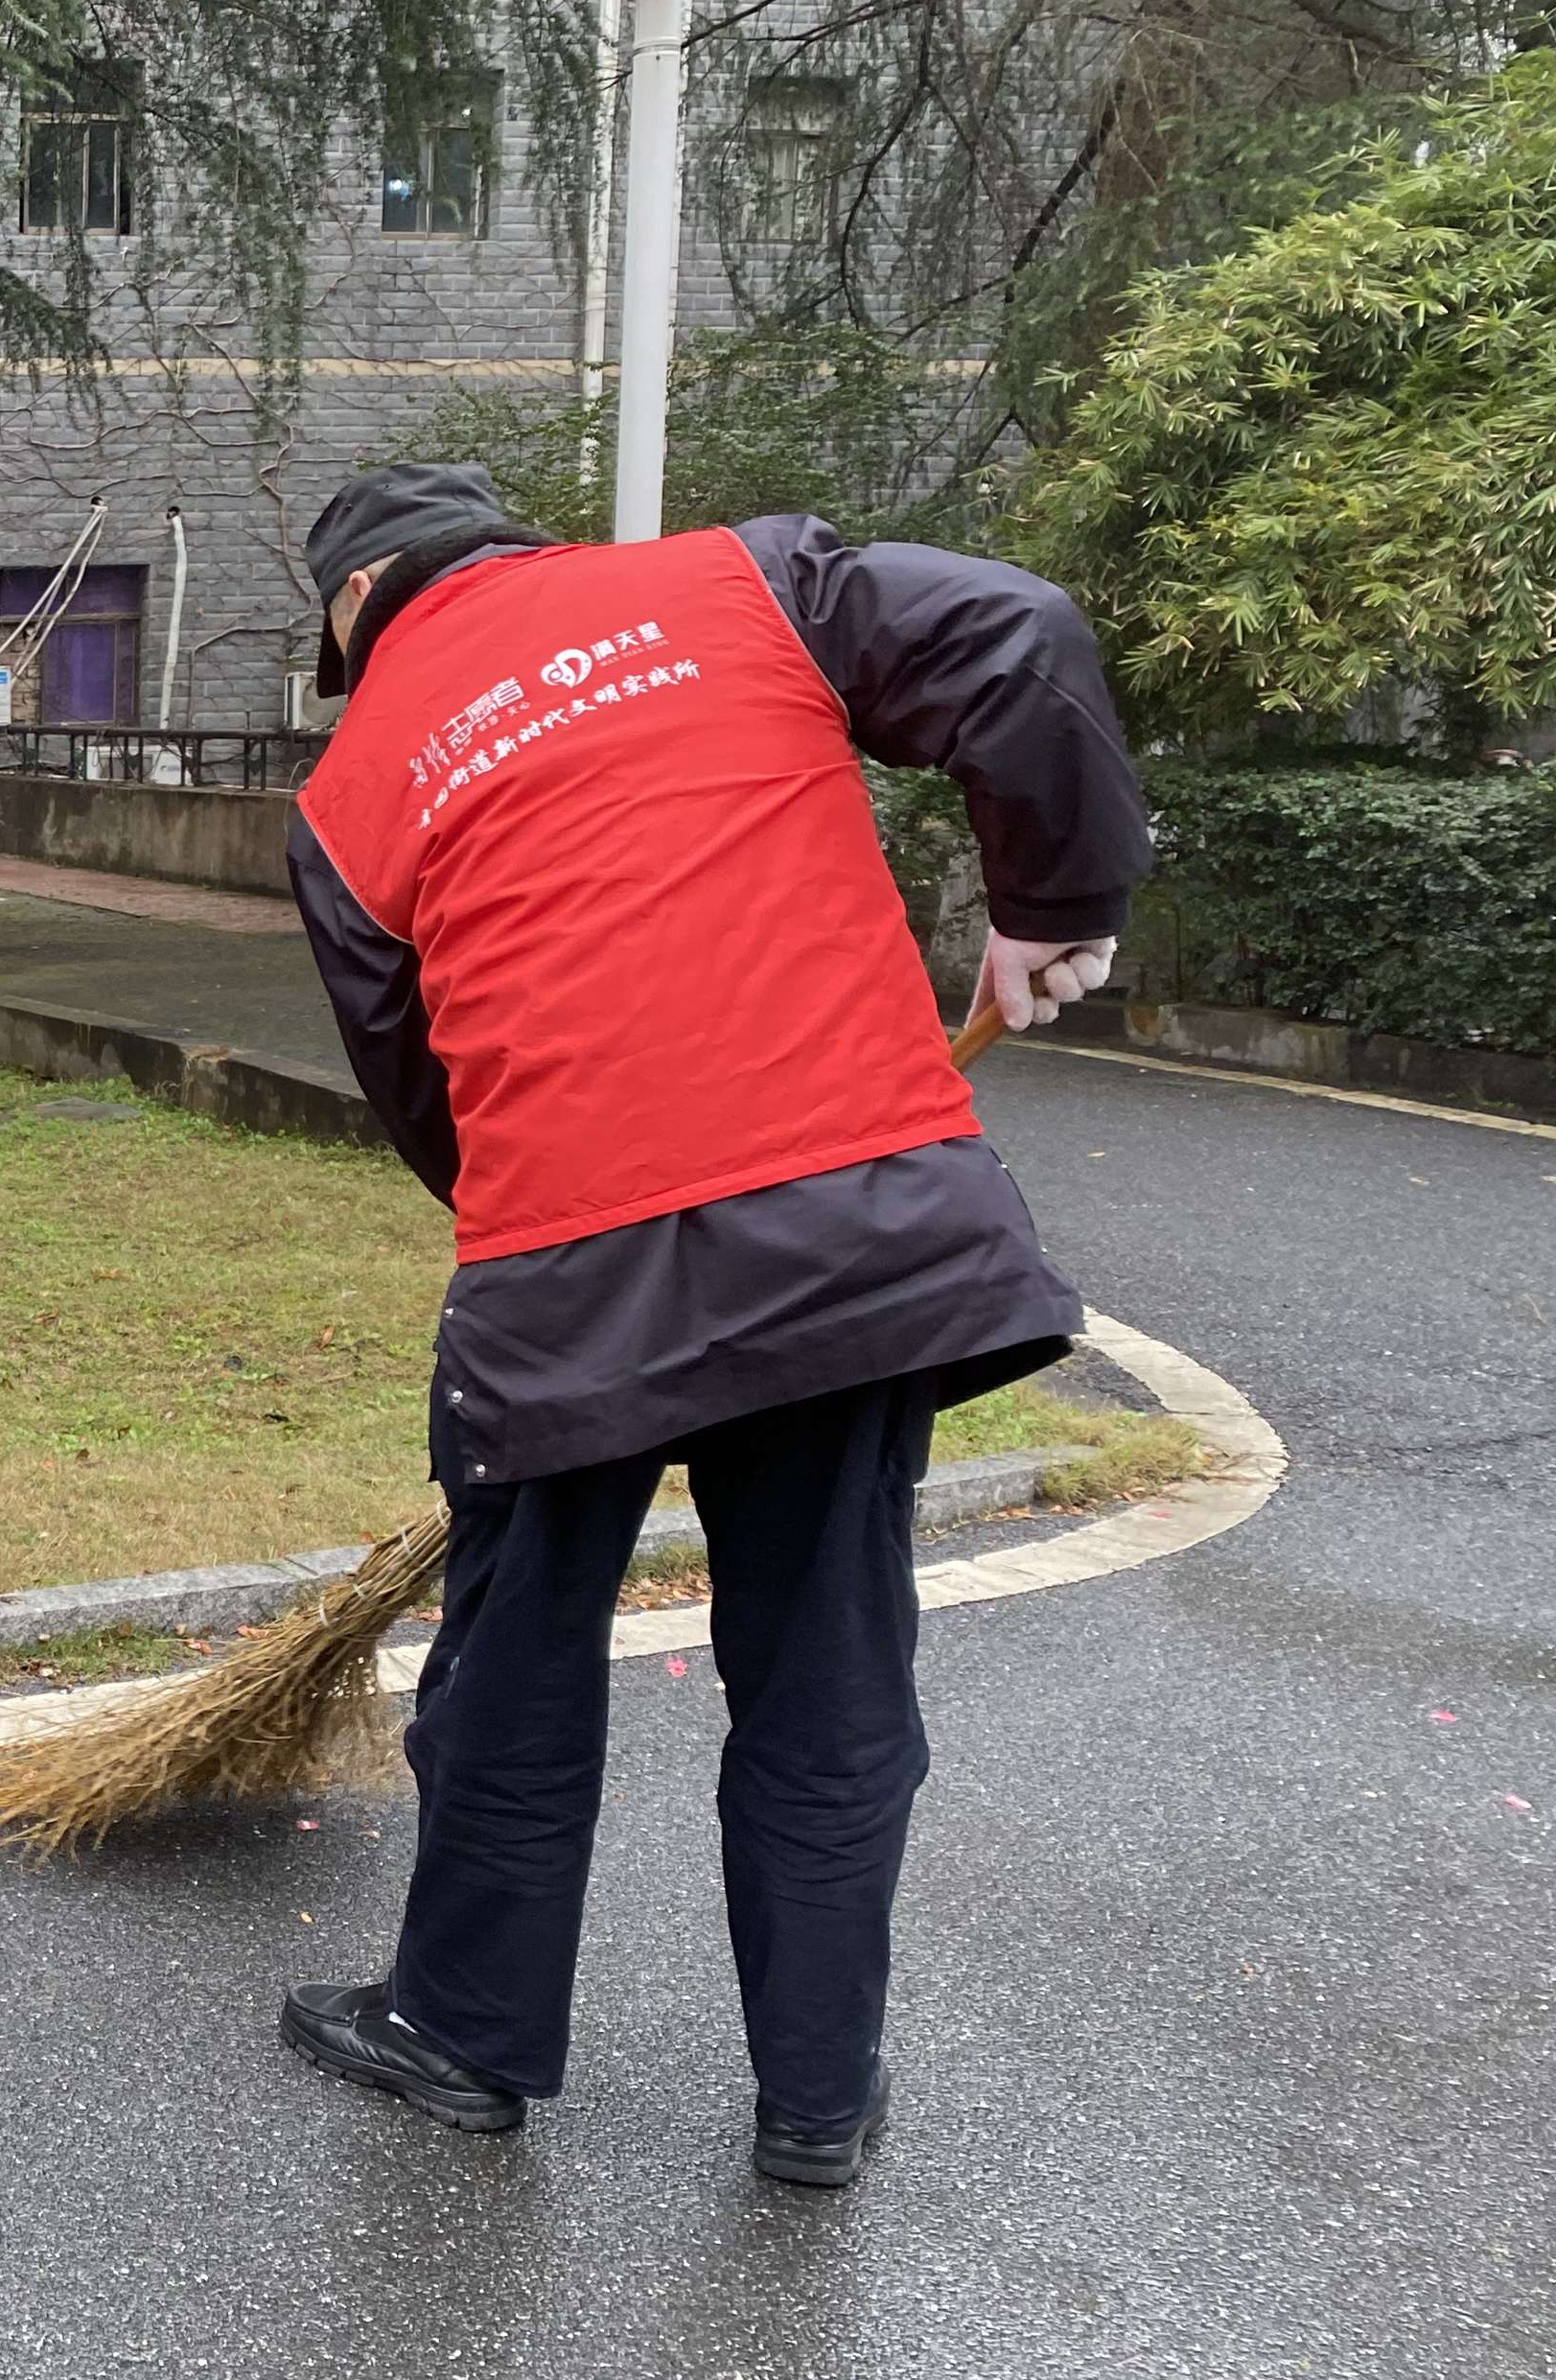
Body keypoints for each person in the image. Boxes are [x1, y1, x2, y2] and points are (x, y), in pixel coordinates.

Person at [270, 460, 1149, 2189]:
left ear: (356, 608)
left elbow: (418, 1084)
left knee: (511, 1673)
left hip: (566, 1270)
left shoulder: (355, 784)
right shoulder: (744, 583)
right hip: (849, 1231)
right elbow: (1019, 631)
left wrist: (547, 1217)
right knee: (827, 1668)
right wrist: (1056, 902)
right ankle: (817, 2099)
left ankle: (462, 2035)